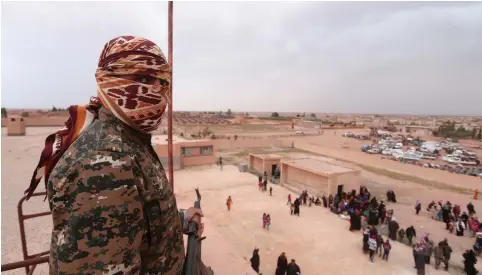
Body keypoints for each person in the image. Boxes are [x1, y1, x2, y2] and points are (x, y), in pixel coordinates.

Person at [26, 36, 205, 274]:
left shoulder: (130, 142)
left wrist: (180, 219)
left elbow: (135, 219)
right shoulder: (104, 160)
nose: (155, 90)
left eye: (161, 81)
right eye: (142, 79)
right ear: (109, 80)